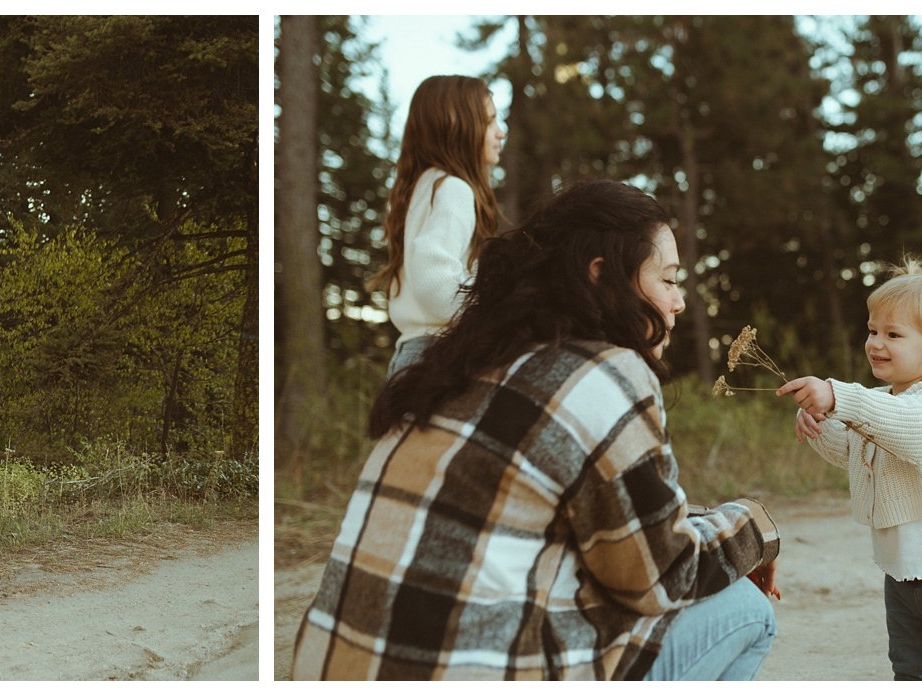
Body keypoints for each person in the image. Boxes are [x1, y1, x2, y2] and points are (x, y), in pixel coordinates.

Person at [291, 180, 782, 680]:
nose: (678, 303)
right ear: (602, 276)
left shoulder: (460, 364)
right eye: (669, 280)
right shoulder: (605, 373)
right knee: (747, 608)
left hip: (331, 668)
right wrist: (755, 526)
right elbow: (661, 578)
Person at [778, 258, 922, 681]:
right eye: (872, 330)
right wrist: (822, 424)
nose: (876, 343)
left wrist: (839, 397)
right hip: (900, 576)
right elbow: (855, 453)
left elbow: (913, 433)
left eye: (893, 334)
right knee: (907, 670)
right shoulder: (882, 401)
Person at [369, 75, 506, 378]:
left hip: (411, 357)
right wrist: (500, 306)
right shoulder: (455, 189)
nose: (501, 133)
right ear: (459, 128)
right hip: (437, 361)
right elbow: (436, 281)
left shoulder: (425, 185)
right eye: (490, 122)